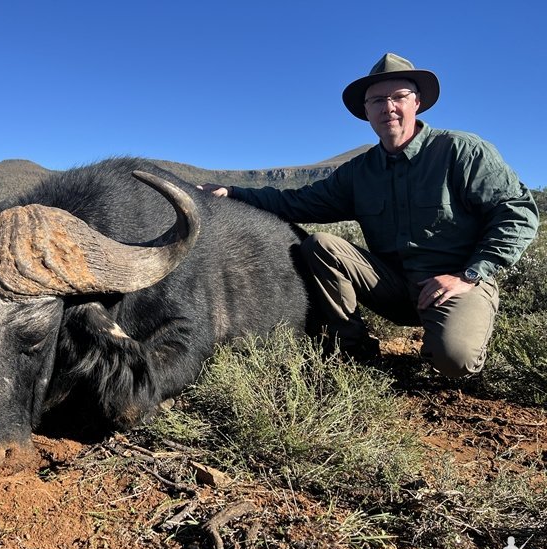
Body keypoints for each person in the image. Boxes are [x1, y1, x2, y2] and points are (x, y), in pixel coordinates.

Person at [199, 53, 539, 377]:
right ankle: (354, 349)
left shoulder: (461, 151)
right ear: (366, 111)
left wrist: (468, 275)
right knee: (321, 245)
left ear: (416, 102)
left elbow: (518, 215)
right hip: (392, 285)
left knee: (455, 360)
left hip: (457, 281)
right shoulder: (359, 172)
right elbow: (299, 202)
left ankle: (448, 336)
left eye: (398, 96)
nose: (388, 107)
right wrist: (234, 192)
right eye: (377, 100)